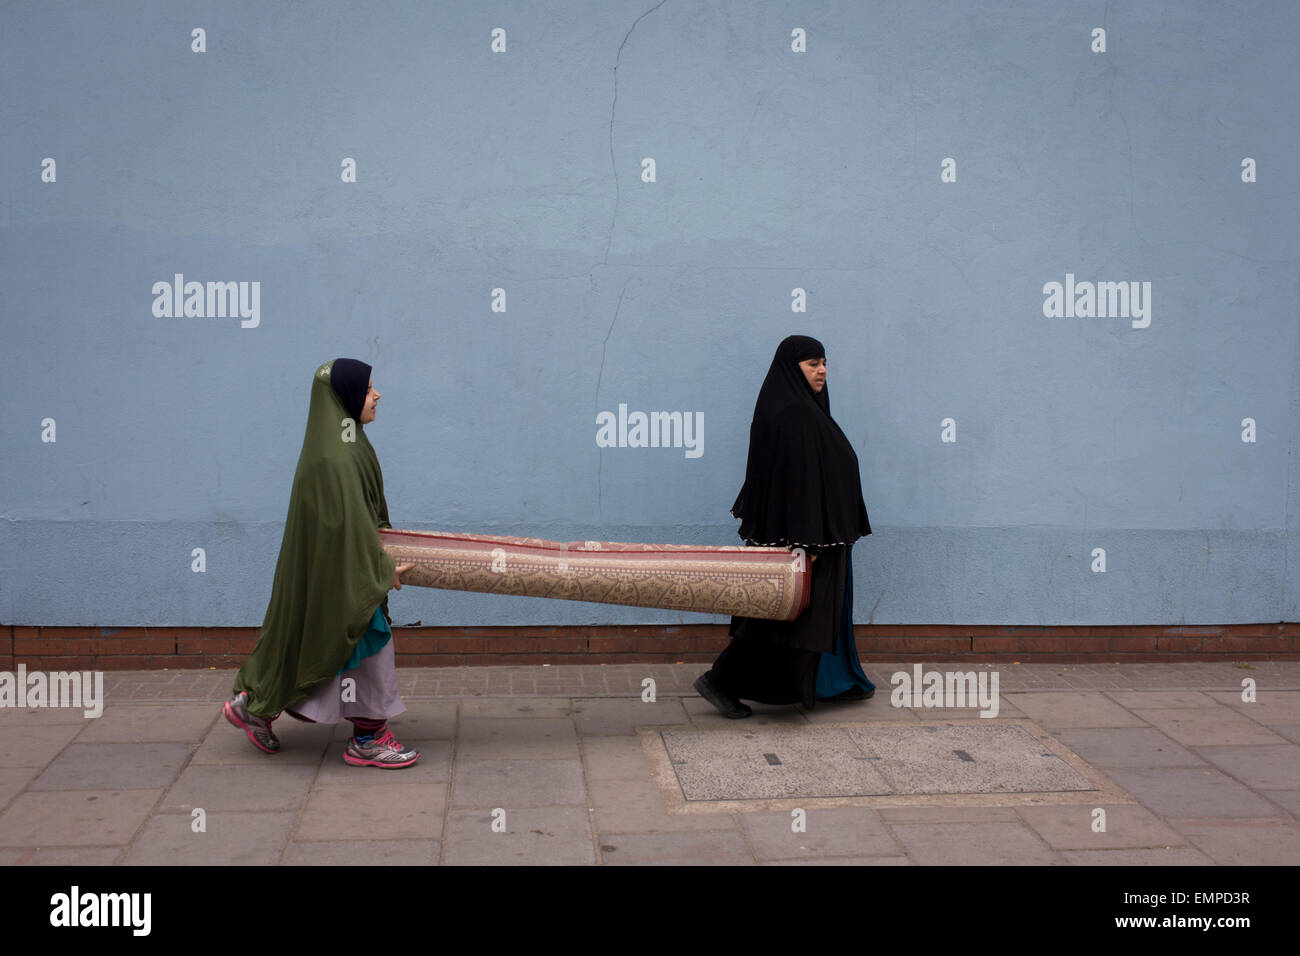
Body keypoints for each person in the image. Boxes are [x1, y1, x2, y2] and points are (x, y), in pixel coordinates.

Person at [222, 358, 421, 767]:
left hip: (330, 573)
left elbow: (349, 525)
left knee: (307, 634)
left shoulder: (337, 444)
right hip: (350, 576)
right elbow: (349, 530)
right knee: (369, 644)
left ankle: (254, 704)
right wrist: (380, 573)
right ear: (346, 396)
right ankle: (368, 738)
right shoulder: (339, 458)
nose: (377, 394)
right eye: (368, 389)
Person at [695, 335, 875, 718]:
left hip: (815, 539)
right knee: (781, 623)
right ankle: (720, 681)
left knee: (791, 622)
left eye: (824, 362)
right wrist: (805, 543)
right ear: (792, 370)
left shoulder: (798, 409)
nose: (822, 370)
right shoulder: (794, 415)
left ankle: (825, 684)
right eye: (812, 364)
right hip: (806, 543)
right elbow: (797, 485)